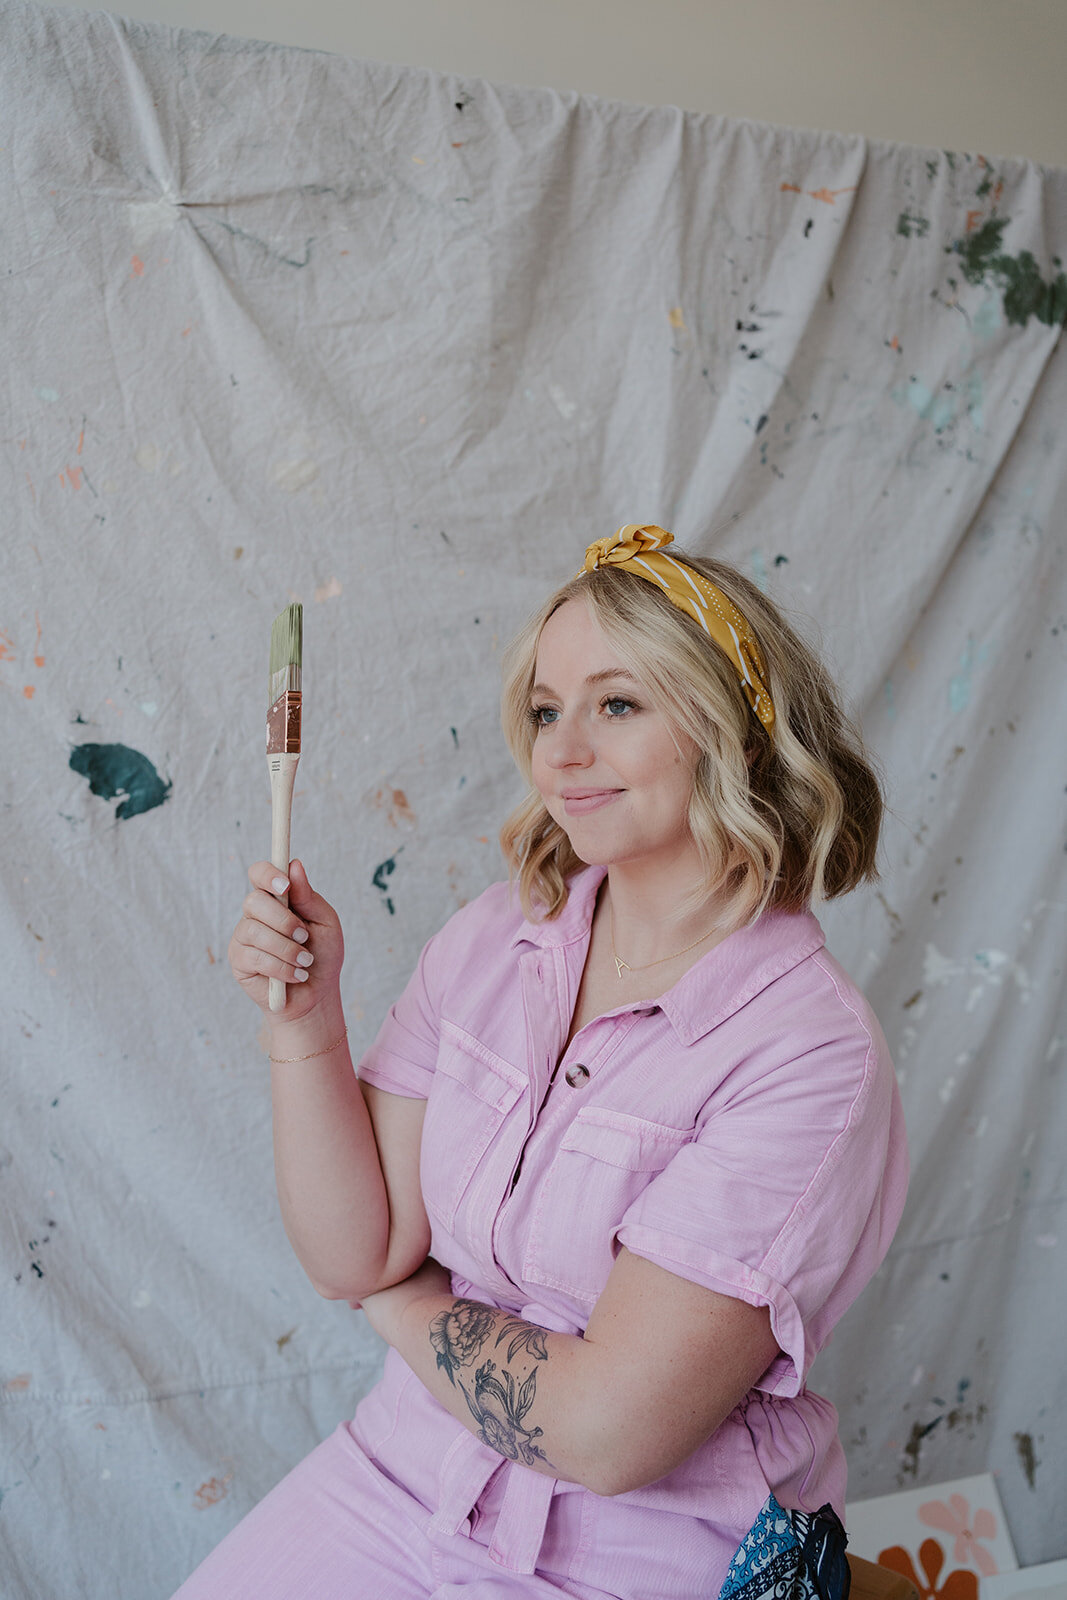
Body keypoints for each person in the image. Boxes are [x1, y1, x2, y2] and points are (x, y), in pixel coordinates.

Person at [177, 525, 908, 1600]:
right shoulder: (492, 939)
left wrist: (397, 1305)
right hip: (401, 1473)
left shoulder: (805, 1057)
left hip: (632, 1552)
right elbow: (355, 1247)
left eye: (616, 704)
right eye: (543, 709)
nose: (561, 751)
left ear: (739, 732)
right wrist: (305, 1022)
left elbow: (604, 1432)